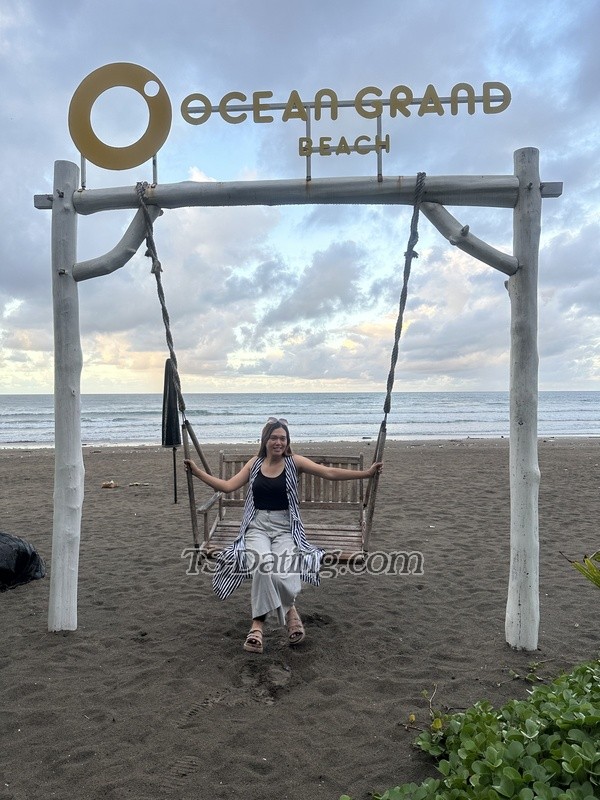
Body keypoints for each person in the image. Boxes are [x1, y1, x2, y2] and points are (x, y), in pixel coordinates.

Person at [184, 416, 383, 654]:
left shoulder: (294, 462)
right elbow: (226, 487)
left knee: (282, 572)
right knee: (262, 565)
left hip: (286, 527)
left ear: (287, 441)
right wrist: (196, 472)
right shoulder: (255, 463)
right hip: (257, 526)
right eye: (273, 438)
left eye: (282, 438)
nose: (278, 442)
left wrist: (366, 474)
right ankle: (260, 623)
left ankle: (287, 610)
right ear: (265, 440)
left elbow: (328, 472)